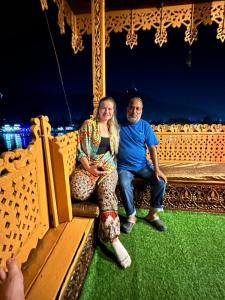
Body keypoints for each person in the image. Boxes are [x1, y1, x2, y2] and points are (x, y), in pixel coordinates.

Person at [70, 96, 131, 268]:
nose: (107, 112)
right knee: (78, 191)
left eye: (110, 109)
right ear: (98, 109)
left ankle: (114, 239)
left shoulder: (113, 128)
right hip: (89, 167)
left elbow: (113, 154)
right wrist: (90, 169)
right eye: (104, 108)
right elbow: (81, 152)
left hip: (108, 169)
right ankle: (100, 194)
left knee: (106, 192)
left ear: (113, 112)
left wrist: (103, 170)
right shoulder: (88, 125)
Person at [117, 97, 167, 233]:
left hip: (142, 166)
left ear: (141, 111)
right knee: (123, 183)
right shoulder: (117, 125)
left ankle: (152, 215)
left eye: (138, 108)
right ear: (127, 108)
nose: (134, 111)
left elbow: (152, 149)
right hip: (124, 167)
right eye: (132, 107)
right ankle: (131, 216)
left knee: (161, 181)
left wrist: (157, 169)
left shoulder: (145, 126)